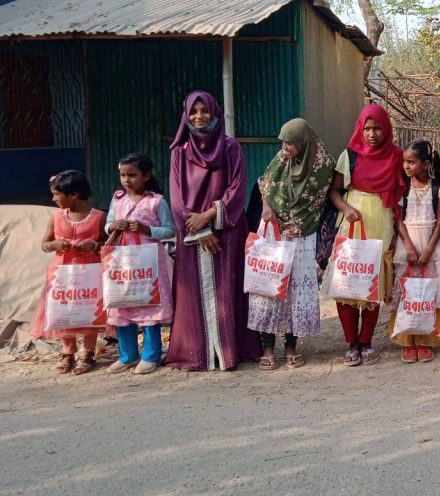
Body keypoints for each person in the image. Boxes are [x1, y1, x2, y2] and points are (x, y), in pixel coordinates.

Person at [165, 91, 261, 372]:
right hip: (191, 232)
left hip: (227, 230)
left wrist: (209, 216)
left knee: (228, 288)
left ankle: (231, 351)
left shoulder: (230, 147)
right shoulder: (179, 152)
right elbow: (176, 198)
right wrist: (196, 228)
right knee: (193, 292)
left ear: (214, 112)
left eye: (204, 111)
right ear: (186, 115)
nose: (199, 116)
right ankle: (197, 353)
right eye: (193, 112)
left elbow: (237, 188)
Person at [249, 118, 334, 370]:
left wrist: (296, 223)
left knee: (295, 290)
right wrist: (265, 207)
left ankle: (290, 346)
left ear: (303, 142)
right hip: (273, 230)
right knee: (269, 286)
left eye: (290, 143)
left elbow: (318, 201)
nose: (285, 148)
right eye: (283, 143)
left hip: (302, 234)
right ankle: (267, 347)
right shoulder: (282, 157)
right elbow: (265, 184)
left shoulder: (322, 165)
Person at [328, 104, 406, 367]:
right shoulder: (349, 155)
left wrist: (397, 231)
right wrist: (347, 208)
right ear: (360, 129)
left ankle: (366, 341)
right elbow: (334, 192)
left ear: (387, 129)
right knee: (348, 282)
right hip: (352, 223)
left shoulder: (396, 156)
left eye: (377, 129)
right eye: (367, 128)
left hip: (381, 222)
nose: (372, 134)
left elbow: (399, 196)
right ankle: (351, 343)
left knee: (373, 285)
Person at [104, 153, 175, 375]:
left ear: (146, 175)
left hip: (149, 262)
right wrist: (113, 225)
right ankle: (127, 355)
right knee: (123, 304)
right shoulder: (117, 199)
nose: (126, 180)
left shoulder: (157, 201)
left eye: (132, 175)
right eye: (123, 175)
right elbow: (106, 225)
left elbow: (170, 229)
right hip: (123, 261)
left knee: (149, 305)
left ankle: (150, 355)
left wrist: (147, 230)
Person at [31, 170, 107, 375]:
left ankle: (88, 353)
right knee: (62, 311)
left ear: (73, 194)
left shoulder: (99, 217)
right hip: (61, 273)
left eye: (56, 194)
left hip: (89, 274)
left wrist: (94, 244)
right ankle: (68, 352)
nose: (53, 199)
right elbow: (44, 244)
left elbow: (107, 243)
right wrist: (54, 244)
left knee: (90, 310)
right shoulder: (56, 217)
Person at [387, 140, 440, 363]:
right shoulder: (403, 188)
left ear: (425, 164)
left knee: (430, 292)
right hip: (408, 246)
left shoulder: (438, 188)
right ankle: (409, 339)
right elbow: (399, 219)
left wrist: (428, 250)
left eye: (411, 162)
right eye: (405, 162)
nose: (406, 166)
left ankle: (426, 338)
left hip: (431, 246)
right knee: (408, 293)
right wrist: (408, 245)